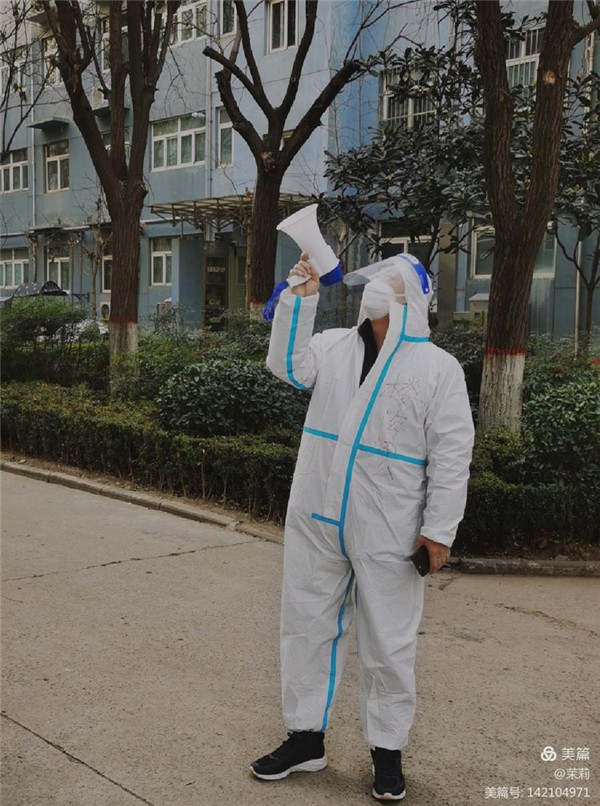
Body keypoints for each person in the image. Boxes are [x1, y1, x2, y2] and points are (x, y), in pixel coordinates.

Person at [251, 252, 475, 801]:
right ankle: (305, 738)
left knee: (388, 641)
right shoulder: (333, 346)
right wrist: (299, 302)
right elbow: (287, 366)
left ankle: (387, 753)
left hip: (389, 523)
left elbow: (452, 454)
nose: (375, 285)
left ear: (412, 298)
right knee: (305, 622)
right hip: (318, 511)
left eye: (388, 279)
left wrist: (439, 530)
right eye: (374, 277)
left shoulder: (438, 368)